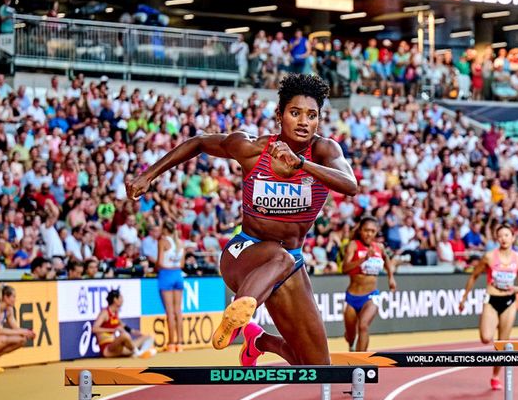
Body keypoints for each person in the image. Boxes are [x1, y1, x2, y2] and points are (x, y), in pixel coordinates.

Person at [127, 74, 358, 366]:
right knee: (282, 258)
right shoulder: (251, 149)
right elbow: (199, 142)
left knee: (316, 366)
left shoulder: (324, 152)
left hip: (289, 262)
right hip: (244, 252)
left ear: (318, 121)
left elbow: (350, 185)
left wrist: (301, 164)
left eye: (311, 116)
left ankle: (259, 340)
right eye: (295, 113)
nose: (303, 122)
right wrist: (148, 175)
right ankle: (236, 315)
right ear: (279, 115)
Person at [458, 224, 518, 391]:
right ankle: (491, 323)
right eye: (500, 236)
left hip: (509, 302)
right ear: (497, 239)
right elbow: (474, 276)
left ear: (513, 237)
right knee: (486, 338)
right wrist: (464, 298)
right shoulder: (489, 257)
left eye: (507, 235)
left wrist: (514, 288)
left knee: (502, 344)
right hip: (491, 300)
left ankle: (495, 376)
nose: (503, 238)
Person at [342, 216, 398, 352]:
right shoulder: (354, 245)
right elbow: (345, 268)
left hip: (371, 296)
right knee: (350, 335)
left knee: (363, 326)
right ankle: (351, 343)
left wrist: (391, 278)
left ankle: (361, 361)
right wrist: (363, 259)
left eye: (372, 231)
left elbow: (388, 261)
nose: (369, 234)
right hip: (352, 297)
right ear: (360, 230)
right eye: (366, 230)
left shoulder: (379, 247)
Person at [92, 289, 155, 359]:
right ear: (115, 299)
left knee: (149, 337)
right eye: (121, 298)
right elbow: (94, 329)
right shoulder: (105, 313)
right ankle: (138, 353)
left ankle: (140, 352)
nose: (122, 300)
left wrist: (135, 332)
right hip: (108, 349)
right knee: (124, 336)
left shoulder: (115, 313)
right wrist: (113, 330)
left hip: (118, 348)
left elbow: (123, 325)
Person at [156, 219, 185, 353]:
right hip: (177, 274)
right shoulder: (180, 242)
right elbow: (182, 264)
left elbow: (160, 262)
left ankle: (171, 343)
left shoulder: (163, 242)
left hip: (166, 274)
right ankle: (180, 342)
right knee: (178, 311)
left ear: (164, 229)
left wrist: (155, 267)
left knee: (169, 311)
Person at [0, 285, 35, 373]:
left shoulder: (9, 310)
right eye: (13, 296)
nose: (15, 299)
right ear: (6, 297)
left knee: (22, 340)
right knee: (3, 339)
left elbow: (16, 328)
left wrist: (27, 333)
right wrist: (23, 331)